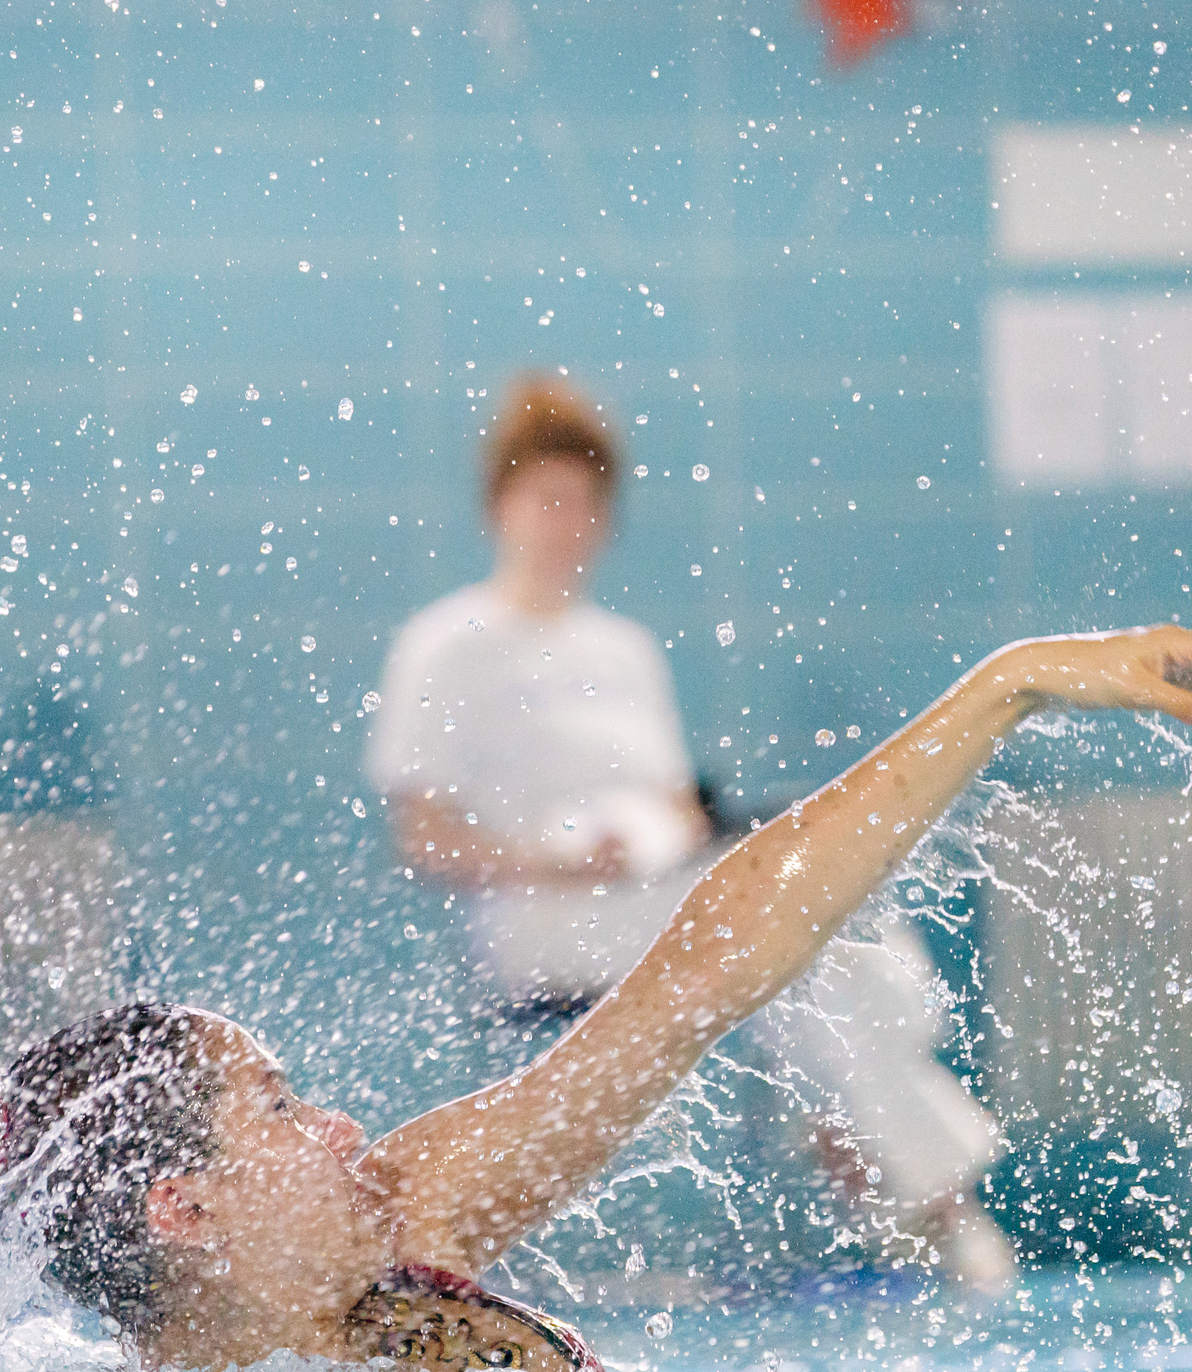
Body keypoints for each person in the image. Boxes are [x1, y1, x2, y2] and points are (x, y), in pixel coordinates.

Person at [0, 626, 1192, 1372]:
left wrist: (1003, 687)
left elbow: (706, 966)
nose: (334, 1123)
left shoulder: (414, 1211)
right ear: (185, 1207)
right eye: (274, 1106)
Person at [363, 375, 1014, 1289]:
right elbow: (424, 838)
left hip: (652, 891)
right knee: (786, 930)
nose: (567, 524)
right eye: (547, 500)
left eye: (585, 505)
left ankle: (880, 1168)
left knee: (823, 922)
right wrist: (554, 861)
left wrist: (666, 831)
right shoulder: (448, 644)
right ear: (500, 506)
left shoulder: (621, 649)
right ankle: (916, 1196)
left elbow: (673, 803)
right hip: (539, 919)